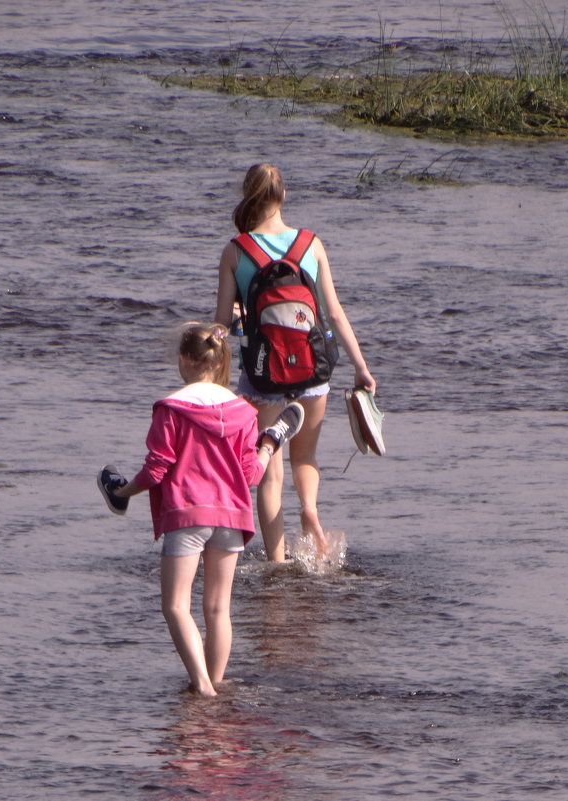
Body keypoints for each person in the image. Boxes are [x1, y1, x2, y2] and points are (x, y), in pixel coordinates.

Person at [96, 322, 304, 696]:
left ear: (184, 359)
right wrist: (266, 450)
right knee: (217, 610)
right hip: (232, 515)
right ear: (218, 359)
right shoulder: (242, 412)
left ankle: (204, 688)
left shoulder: (171, 408)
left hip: (187, 513)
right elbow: (251, 476)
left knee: (176, 606)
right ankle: (273, 440)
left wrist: (123, 491)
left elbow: (157, 468)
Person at [214, 164, 376, 562]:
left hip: (263, 375)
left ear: (248, 196)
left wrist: (209, 379)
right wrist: (361, 367)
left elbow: (221, 324)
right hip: (312, 369)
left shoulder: (237, 251)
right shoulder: (310, 245)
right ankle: (309, 509)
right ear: (284, 195)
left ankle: (277, 561)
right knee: (305, 457)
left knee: (270, 469)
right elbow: (334, 314)